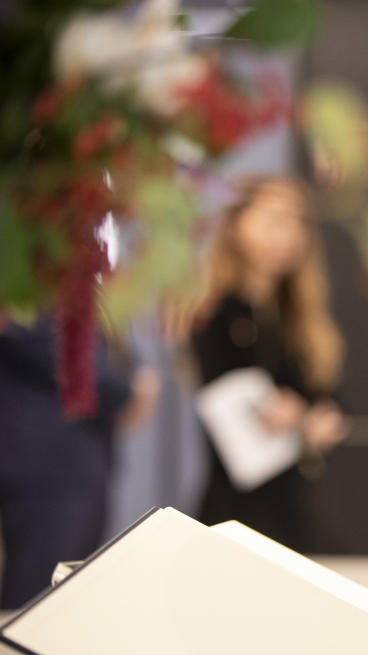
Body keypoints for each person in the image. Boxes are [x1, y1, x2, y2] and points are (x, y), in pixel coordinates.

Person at [190, 175, 347, 552]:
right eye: (275, 220)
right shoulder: (214, 313)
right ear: (237, 225)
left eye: (297, 222)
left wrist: (318, 417)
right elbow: (243, 410)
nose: (289, 235)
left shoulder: (301, 321)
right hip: (236, 505)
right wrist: (297, 418)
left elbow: (326, 397)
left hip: (295, 504)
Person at [0, 319, 159, 608]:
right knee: (36, 605)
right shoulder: (32, 283)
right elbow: (54, 348)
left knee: (65, 596)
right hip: (48, 467)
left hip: (75, 461)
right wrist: (129, 391)